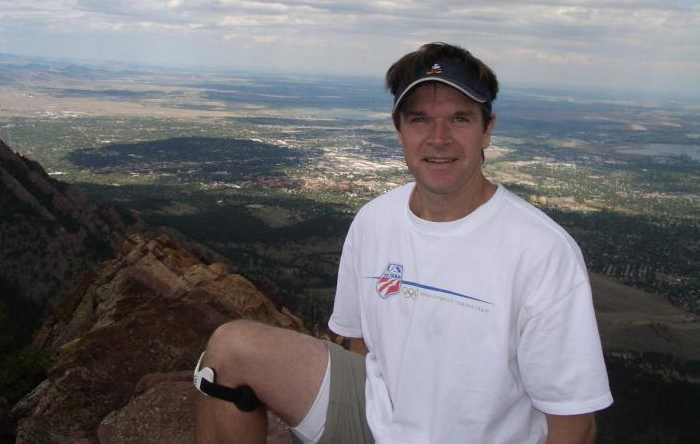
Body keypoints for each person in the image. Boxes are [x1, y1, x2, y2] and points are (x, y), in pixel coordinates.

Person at [195, 42, 613, 444]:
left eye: (460, 119)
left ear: (487, 130)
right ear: (399, 131)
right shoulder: (375, 221)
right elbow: (359, 347)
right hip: (376, 419)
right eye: (419, 119)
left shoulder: (541, 250)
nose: (438, 137)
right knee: (231, 351)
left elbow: (575, 422)